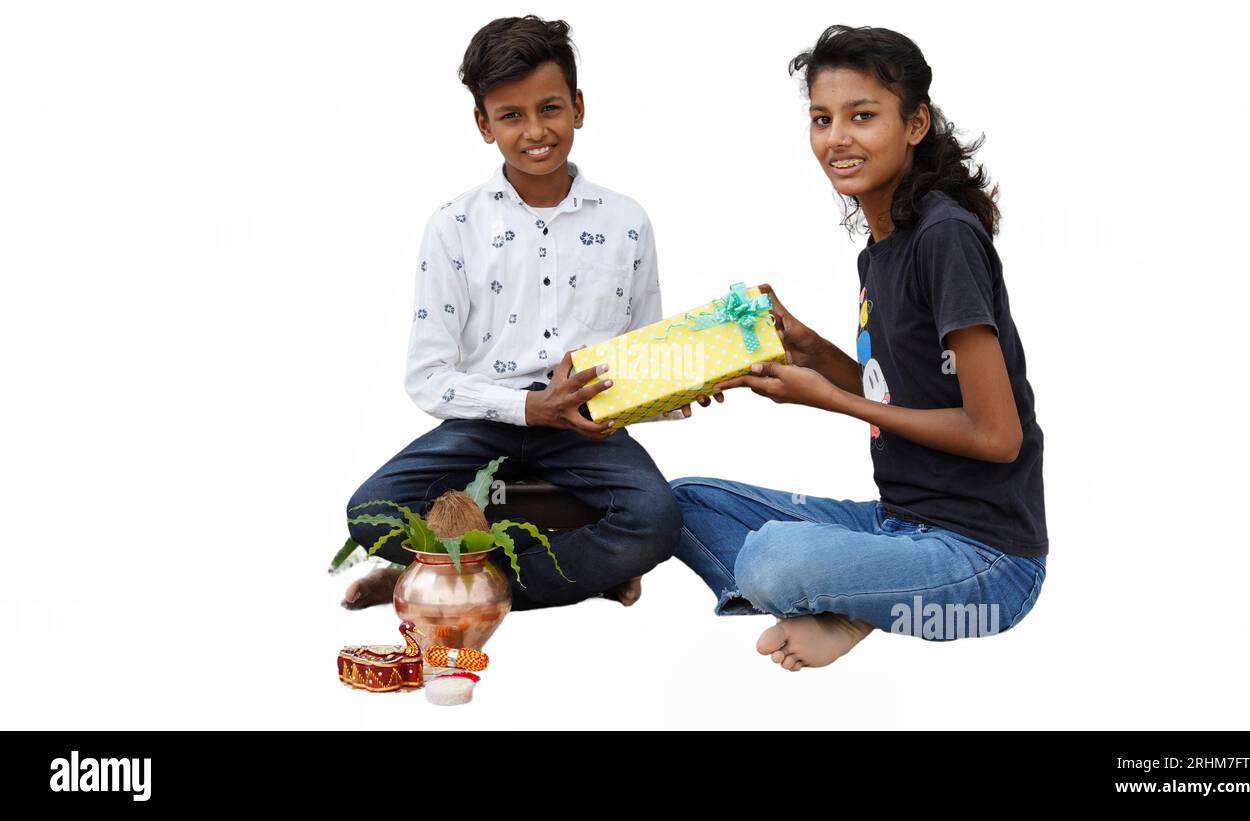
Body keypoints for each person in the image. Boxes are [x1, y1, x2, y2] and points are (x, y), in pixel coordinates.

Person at [671, 25, 1048, 670]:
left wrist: (829, 403)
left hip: (988, 572)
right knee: (674, 502)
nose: (837, 138)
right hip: (899, 524)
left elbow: (997, 437)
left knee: (771, 560)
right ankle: (843, 600)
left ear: (916, 123)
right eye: (822, 118)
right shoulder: (881, 251)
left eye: (863, 116)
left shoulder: (946, 238)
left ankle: (845, 609)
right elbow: (901, 392)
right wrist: (811, 350)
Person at [344, 15, 681, 611]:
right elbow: (428, 377)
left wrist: (678, 388)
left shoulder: (627, 221)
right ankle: (582, 571)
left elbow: (641, 350)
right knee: (370, 514)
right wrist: (527, 406)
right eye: (511, 116)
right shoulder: (455, 226)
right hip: (484, 419)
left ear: (578, 107)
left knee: (655, 520)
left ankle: (440, 585)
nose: (535, 131)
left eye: (550, 108)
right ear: (483, 124)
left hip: (586, 425)